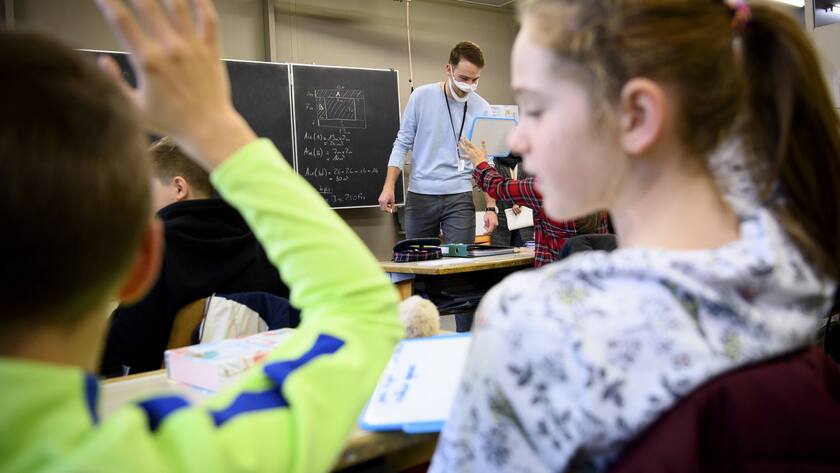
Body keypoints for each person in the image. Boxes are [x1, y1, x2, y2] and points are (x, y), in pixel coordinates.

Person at [431, 0, 840, 471]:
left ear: (637, 115)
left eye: (536, 109)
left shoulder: (533, 327)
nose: (519, 140)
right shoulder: (797, 298)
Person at [0, 1, 402, 472]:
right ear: (139, 261)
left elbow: (126, 348)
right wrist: (214, 125)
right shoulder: (177, 456)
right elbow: (361, 315)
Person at [101, 138, 291, 376]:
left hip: (174, 391)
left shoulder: (156, 248)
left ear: (179, 188)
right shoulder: (262, 242)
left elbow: (127, 347)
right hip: (256, 382)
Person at [378, 41, 498, 243]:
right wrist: (388, 186)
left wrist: (491, 207)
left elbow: (487, 162)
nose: (468, 86)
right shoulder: (421, 96)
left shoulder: (482, 108)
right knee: (420, 261)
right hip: (421, 194)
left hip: (460, 195)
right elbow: (401, 144)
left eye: (474, 80)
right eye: (463, 78)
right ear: (448, 69)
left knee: (461, 264)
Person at [461, 139, 609, 266]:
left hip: (554, 281)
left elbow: (496, 186)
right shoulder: (602, 185)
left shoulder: (545, 188)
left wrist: (480, 162)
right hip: (597, 280)